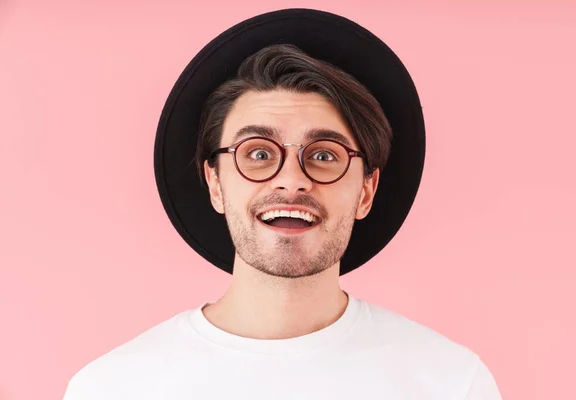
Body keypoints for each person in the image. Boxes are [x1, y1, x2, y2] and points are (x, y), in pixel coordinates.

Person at [63, 8, 502, 400]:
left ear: (366, 191)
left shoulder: (450, 383)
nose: (292, 179)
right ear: (215, 184)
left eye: (325, 155)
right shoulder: (111, 388)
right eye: (258, 153)